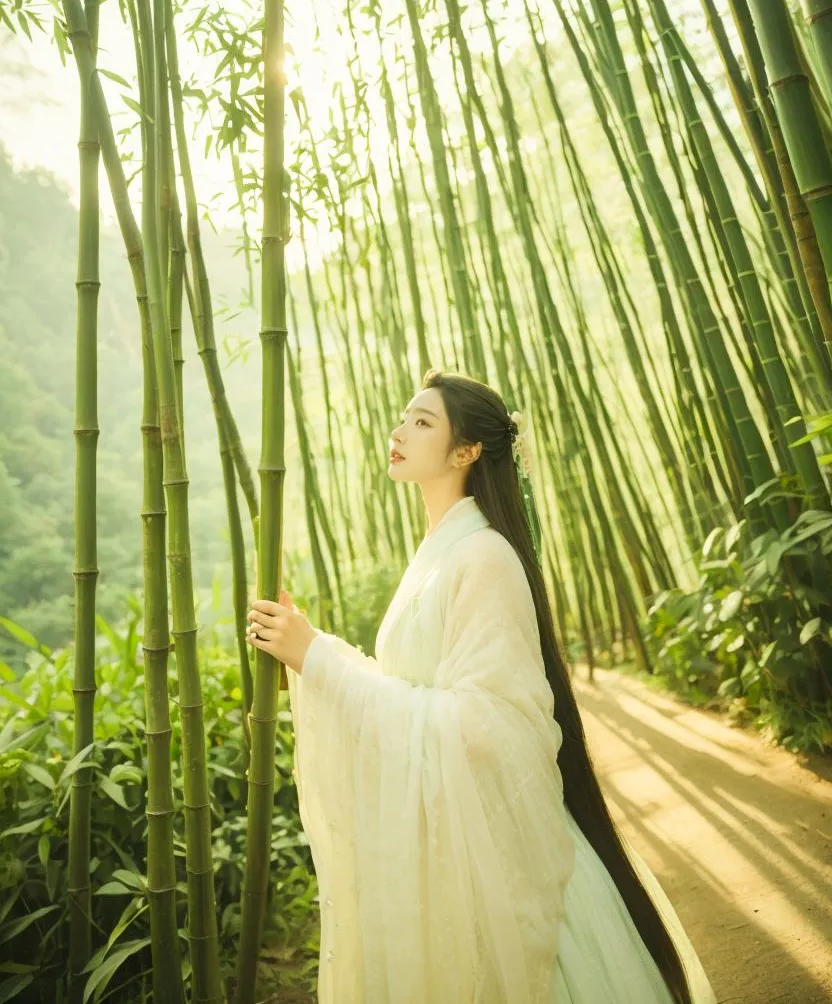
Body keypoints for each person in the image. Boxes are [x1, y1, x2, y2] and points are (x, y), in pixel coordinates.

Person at [246, 369, 716, 1003]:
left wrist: (319, 658)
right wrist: (310, 654)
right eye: (403, 416)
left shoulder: (485, 556)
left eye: (423, 422)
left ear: (467, 452)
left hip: (502, 864)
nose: (400, 430)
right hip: (458, 856)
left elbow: (484, 729)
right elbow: (410, 689)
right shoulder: (438, 553)